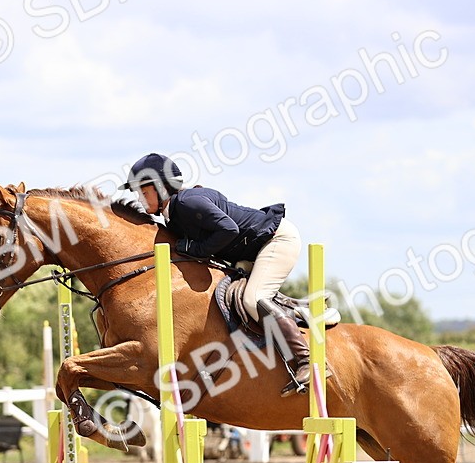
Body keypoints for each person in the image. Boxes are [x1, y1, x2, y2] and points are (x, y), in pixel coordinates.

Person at [121, 153, 329, 397]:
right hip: (251, 249)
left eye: (144, 192)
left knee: (253, 298)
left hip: (275, 240)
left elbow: (228, 229)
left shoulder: (187, 203)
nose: (140, 199)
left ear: (161, 188)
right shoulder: (176, 213)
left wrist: (193, 249)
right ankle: (297, 311)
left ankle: (307, 360)